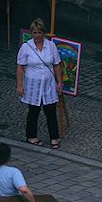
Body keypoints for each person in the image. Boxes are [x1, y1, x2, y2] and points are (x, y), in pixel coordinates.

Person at [16, 18, 62, 148]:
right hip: (33, 85)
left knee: (51, 111)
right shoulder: (26, 47)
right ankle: (31, 136)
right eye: (35, 33)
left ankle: (54, 138)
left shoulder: (51, 46)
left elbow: (56, 65)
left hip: (48, 85)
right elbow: (20, 67)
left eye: (39, 33)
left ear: (43, 33)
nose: (37, 35)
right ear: (31, 33)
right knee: (33, 111)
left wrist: (59, 82)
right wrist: (20, 85)